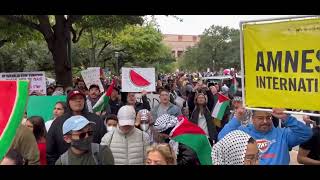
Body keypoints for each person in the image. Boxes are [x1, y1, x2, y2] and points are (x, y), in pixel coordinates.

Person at [218, 107, 313, 165]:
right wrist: (237, 118)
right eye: (260, 118)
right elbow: (222, 139)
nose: (265, 121)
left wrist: (286, 118)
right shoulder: (243, 132)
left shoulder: (282, 134)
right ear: (253, 119)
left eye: (268, 118)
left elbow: (306, 134)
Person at [46, 89, 107, 165]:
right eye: (74, 99)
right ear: (68, 102)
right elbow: (50, 151)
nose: (78, 101)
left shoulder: (96, 120)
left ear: (85, 101)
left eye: (81, 98)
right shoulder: (58, 122)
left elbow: (104, 144)